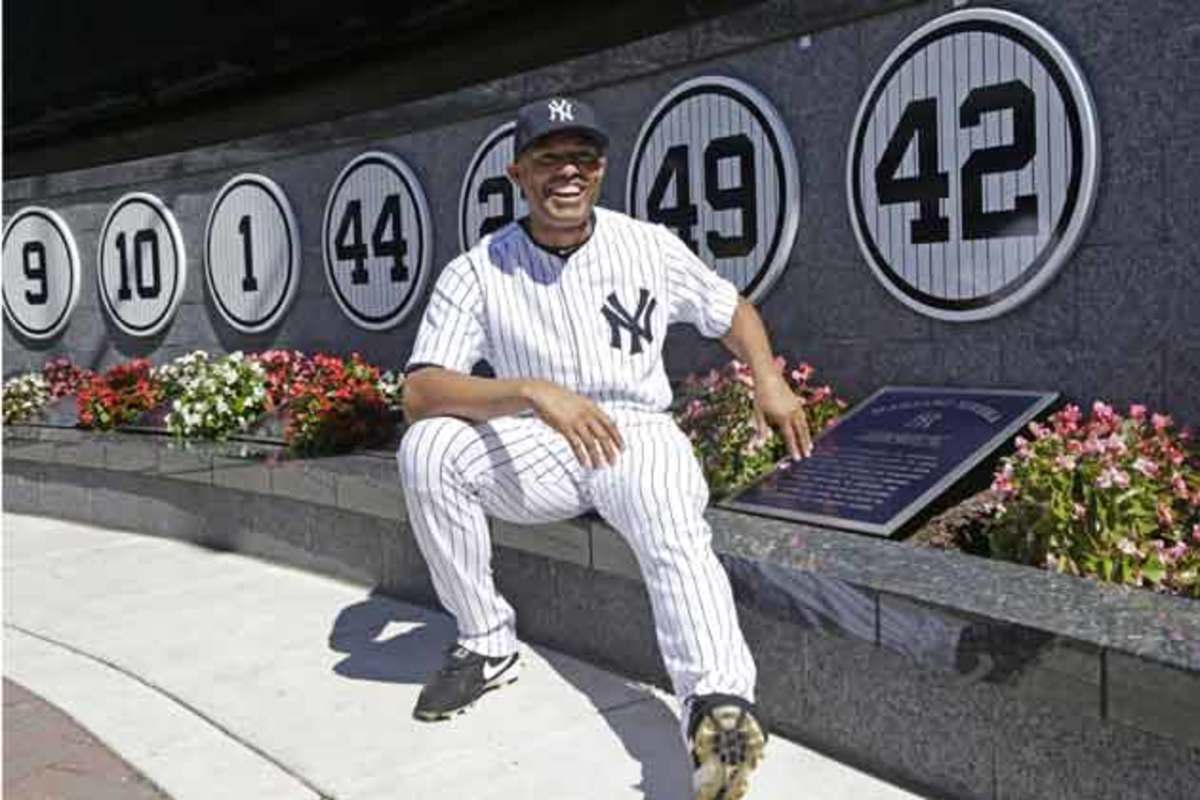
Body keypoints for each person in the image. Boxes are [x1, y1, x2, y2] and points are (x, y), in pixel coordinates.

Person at [397, 95, 812, 800]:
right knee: (429, 448)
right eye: (548, 158)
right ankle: (486, 641)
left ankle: (719, 710)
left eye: (582, 158)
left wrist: (769, 379)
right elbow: (421, 391)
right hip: (536, 441)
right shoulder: (477, 269)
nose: (567, 172)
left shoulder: (645, 244)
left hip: (633, 431)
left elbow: (730, 310)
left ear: (601, 170)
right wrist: (529, 392)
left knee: (669, 523)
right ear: (518, 174)